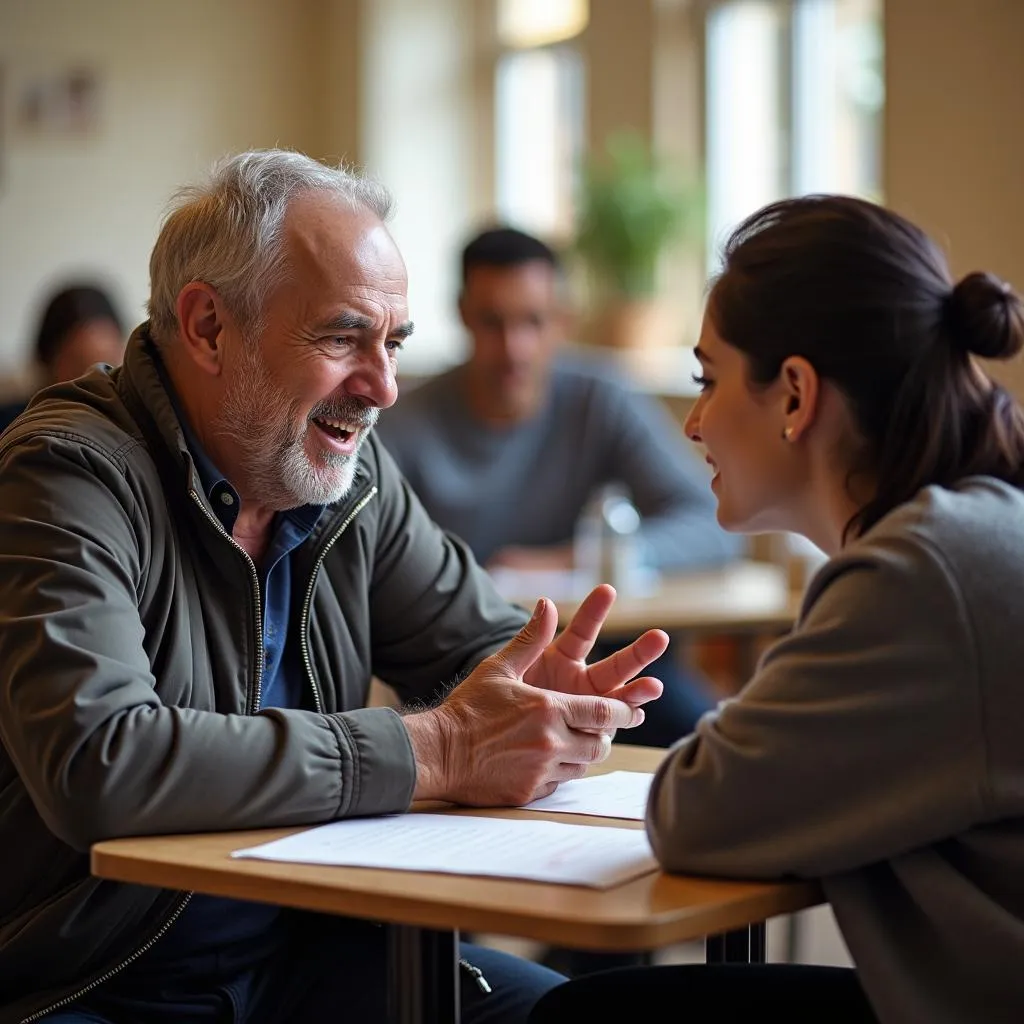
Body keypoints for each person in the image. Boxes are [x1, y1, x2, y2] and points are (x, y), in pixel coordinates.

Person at [0, 150, 671, 1024]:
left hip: (325, 949)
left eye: (392, 343)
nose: (383, 387)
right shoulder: (66, 473)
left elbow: (482, 647)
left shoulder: (349, 475)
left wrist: (541, 696)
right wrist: (437, 750)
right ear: (207, 326)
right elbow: (103, 763)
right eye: (343, 337)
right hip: (99, 983)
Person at [528, 194, 1024, 1024]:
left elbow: (697, 812)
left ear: (795, 395)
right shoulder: (976, 525)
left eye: (707, 379)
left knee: (579, 1015)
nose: (693, 422)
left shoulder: (919, 572)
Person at [377, 226, 745, 749]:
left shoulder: (602, 399)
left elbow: (712, 521)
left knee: (711, 742)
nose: (513, 347)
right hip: (463, 667)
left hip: (604, 655)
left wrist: (576, 559)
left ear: (563, 319)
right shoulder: (403, 423)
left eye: (533, 321)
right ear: (461, 314)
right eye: (492, 322)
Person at [0, 282, 126, 431]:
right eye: (79, 366)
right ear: (48, 360)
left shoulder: (133, 426)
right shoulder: (14, 428)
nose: (96, 382)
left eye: (108, 366)